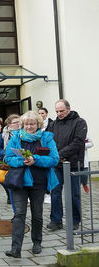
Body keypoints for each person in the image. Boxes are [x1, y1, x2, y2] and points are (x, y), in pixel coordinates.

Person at [4, 111, 59, 258]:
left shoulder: (46, 138)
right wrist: (22, 161)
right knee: (19, 214)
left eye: (32, 124)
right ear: (22, 124)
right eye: (27, 124)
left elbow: (54, 159)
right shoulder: (16, 138)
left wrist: (35, 159)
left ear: (38, 124)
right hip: (20, 181)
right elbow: (8, 158)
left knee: (37, 214)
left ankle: (37, 242)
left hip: (39, 182)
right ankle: (16, 248)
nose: (29, 126)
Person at [46, 99, 87, 231]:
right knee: (55, 192)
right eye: (57, 111)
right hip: (57, 164)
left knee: (74, 194)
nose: (59, 114)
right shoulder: (53, 124)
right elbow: (47, 140)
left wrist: (59, 154)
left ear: (69, 109)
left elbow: (78, 142)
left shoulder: (79, 122)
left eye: (61, 111)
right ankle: (56, 220)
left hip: (73, 164)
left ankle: (75, 220)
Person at [0, 114, 20, 209]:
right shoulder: (4, 134)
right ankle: (10, 194)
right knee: (2, 179)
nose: (18, 124)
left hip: (19, 161)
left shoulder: (23, 133)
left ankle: (14, 198)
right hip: (5, 160)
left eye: (19, 122)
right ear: (9, 124)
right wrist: (5, 153)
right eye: (15, 123)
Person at [38, 107, 54, 203]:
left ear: (46, 114)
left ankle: (48, 193)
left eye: (42, 113)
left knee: (48, 171)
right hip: (39, 150)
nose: (41, 115)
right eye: (39, 113)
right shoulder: (37, 124)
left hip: (48, 150)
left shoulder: (52, 123)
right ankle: (42, 193)